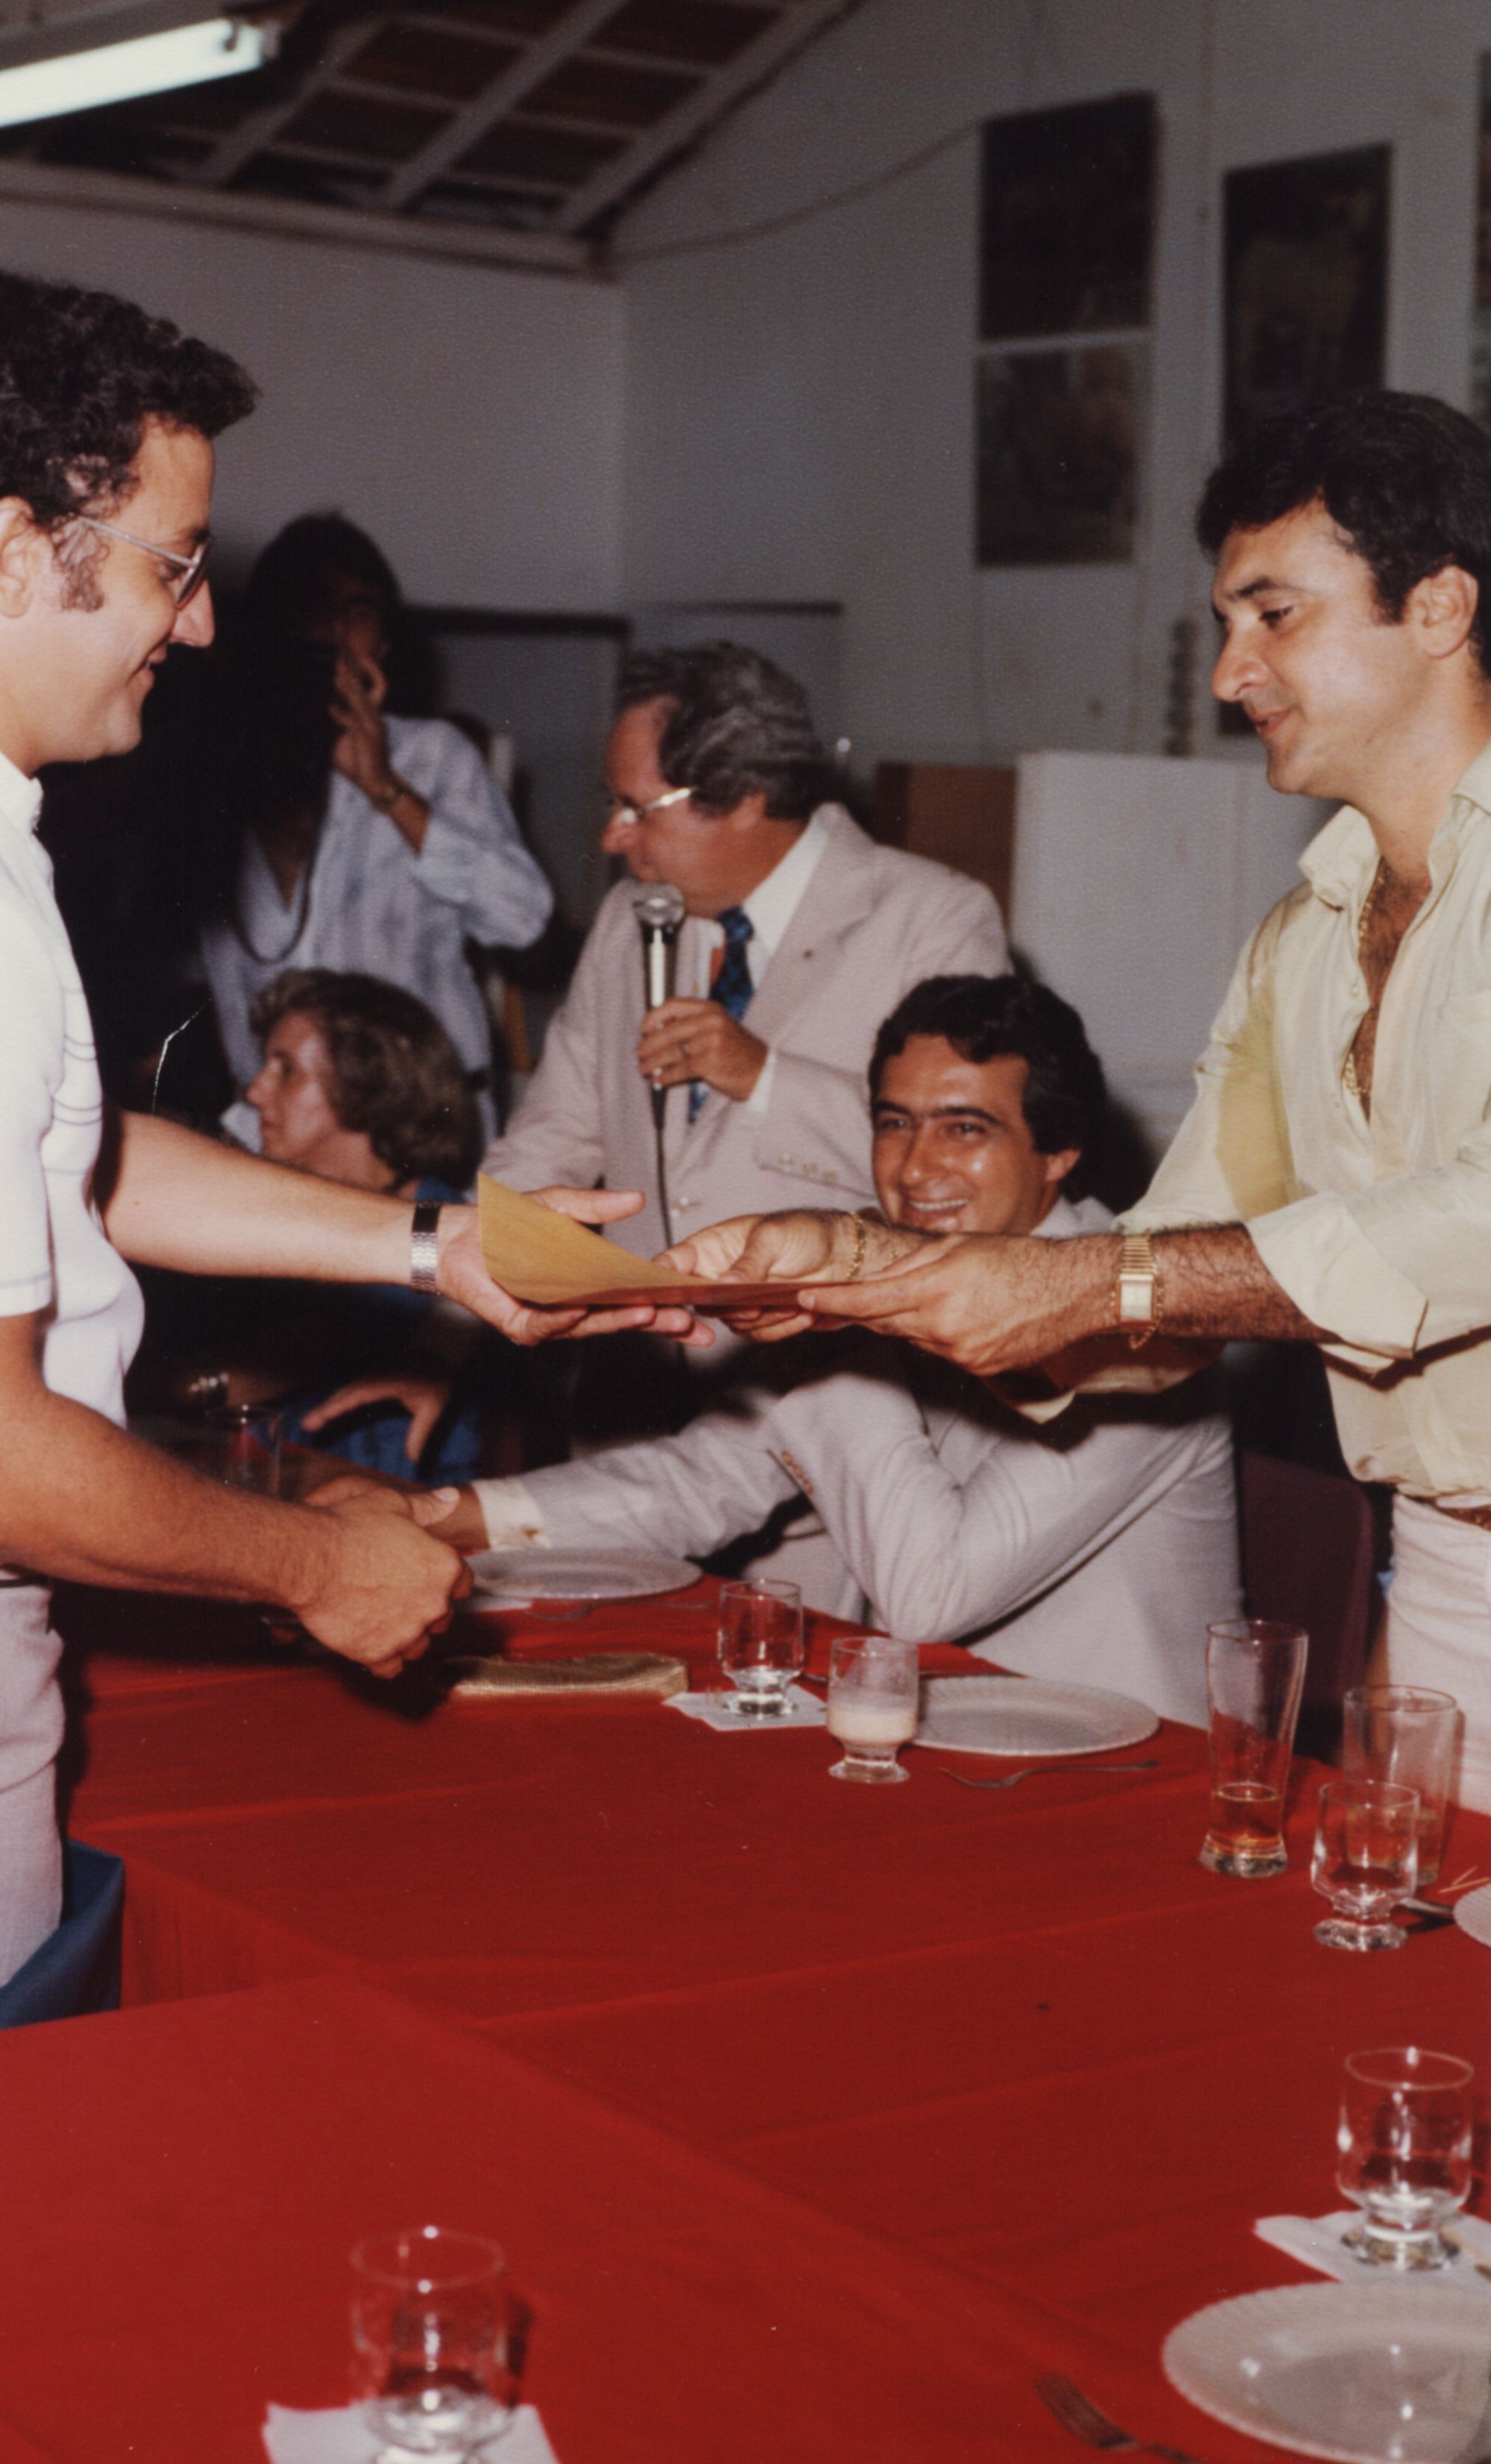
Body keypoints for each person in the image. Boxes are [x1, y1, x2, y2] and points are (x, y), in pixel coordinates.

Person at [0, 269, 696, 2053]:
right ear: (14, 551)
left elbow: (58, 1163)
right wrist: (314, 1563)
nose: (204, 625)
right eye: (169, 562)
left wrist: (428, 1241)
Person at [670, 391, 1491, 1801]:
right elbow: (1170, 1288)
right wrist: (866, 1274)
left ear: (1438, 608)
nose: (1232, 672)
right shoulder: (1303, 940)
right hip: (1451, 1555)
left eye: (1273, 614)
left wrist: (1092, 1287)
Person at [431, 977, 1236, 1722]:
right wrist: (444, 1515)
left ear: (1060, 1153)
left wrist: (841, 1321)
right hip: (933, 1753)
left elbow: (930, 1591)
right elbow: (702, 1479)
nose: (916, 1168)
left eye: (965, 1128)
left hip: (1125, 1783)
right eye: (895, 1124)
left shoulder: (1135, 1323)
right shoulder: (900, 1257)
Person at [485, 642, 1008, 1260]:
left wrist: (764, 1077)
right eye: (612, 803)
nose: (611, 837)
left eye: (637, 809)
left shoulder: (932, 917)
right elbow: (550, 1139)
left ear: (744, 798)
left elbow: (966, 1164)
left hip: (824, 1346)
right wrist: (449, 1327)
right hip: (640, 1346)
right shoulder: (628, 919)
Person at [197, 512, 552, 1142]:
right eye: (310, 606)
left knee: (424, 1248)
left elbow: (523, 917)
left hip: (420, 1132)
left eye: (355, 609)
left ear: (385, 641)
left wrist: (385, 788)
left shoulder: (433, 757)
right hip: (276, 1135)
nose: (333, 629)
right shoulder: (222, 768)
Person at [241, 967, 483, 1485]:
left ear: (364, 1084)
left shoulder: (433, 1225)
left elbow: (299, 1355)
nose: (254, 1091)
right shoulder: (292, 1216)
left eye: (286, 1070)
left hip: (403, 1508)